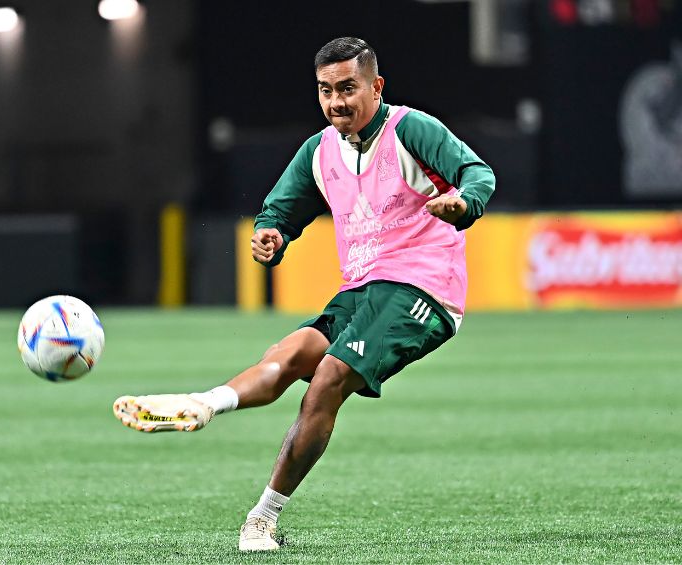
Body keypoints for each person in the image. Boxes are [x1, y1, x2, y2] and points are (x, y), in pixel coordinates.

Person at [114, 37, 495, 552]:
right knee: (289, 355)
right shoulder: (319, 151)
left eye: (347, 88)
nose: (337, 102)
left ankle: (261, 519)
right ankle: (204, 404)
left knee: (329, 378)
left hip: (422, 288)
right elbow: (280, 209)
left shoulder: (411, 129)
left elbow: (478, 173)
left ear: (376, 86)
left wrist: (462, 203)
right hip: (362, 288)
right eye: (325, 90)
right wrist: (272, 233)